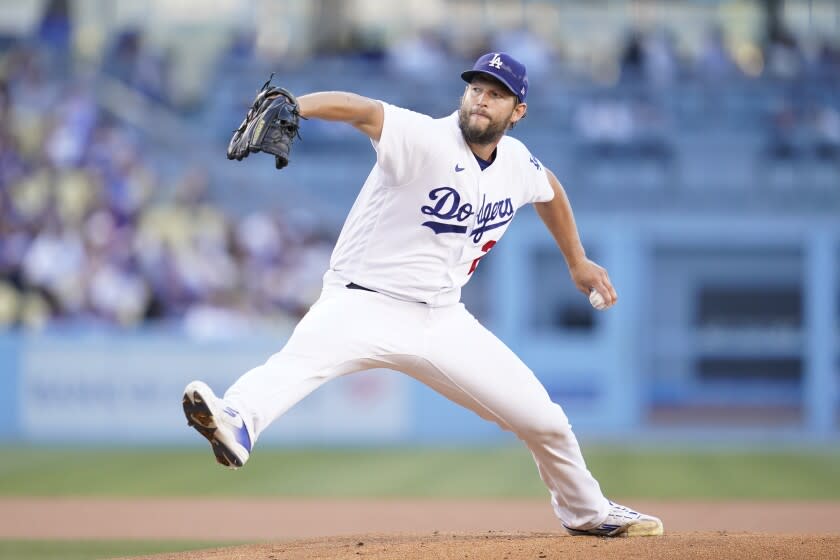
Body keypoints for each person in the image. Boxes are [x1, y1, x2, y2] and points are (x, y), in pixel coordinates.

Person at [183, 52, 664, 538]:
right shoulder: (426, 138)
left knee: (547, 422)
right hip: (361, 302)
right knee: (293, 366)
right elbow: (363, 110)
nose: (481, 98)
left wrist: (576, 260)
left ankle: (586, 512)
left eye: (496, 93)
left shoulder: (516, 162)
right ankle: (236, 420)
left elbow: (550, 189)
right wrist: (296, 106)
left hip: (442, 320)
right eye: (475, 88)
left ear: (517, 112)